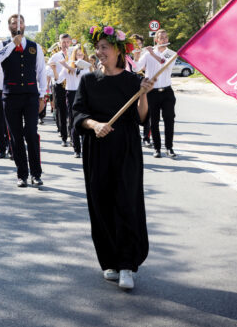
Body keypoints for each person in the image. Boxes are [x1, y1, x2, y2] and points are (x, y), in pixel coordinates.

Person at [72, 24, 154, 290]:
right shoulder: (87, 80)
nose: (99, 52)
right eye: (97, 48)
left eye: (104, 47)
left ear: (118, 50)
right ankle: (109, 261)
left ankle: (127, 264)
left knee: (126, 202)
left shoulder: (133, 80)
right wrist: (94, 125)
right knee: (101, 202)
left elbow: (141, 118)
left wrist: (144, 96)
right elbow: (78, 114)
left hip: (126, 148)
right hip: (97, 149)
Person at [0, 14, 47, 188]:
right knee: (15, 136)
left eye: (20, 22)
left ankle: (36, 173)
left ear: (24, 25)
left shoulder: (34, 47)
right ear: (9, 26)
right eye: (14, 22)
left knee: (30, 133)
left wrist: (42, 95)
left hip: (30, 95)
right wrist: (11, 46)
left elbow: (41, 72)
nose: (17, 24)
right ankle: (22, 173)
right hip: (10, 96)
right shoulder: (2, 45)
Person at [134, 29, 177, 158]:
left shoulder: (171, 53)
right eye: (161, 38)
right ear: (156, 40)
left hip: (167, 91)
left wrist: (152, 53)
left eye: (165, 37)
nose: (163, 40)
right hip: (152, 92)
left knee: (169, 120)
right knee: (154, 121)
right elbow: (136, 68)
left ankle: (169, 148)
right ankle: (157, 148)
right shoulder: (147, 54)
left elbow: (165, 64)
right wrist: (137, 55)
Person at [59, 45, 94, 158]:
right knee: (73, 121)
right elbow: (59, 79)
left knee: (85, 120)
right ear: (74, 55)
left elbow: (82, 73)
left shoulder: (86, 67)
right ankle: (76, 149)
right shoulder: (68, 66)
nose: (80, 56)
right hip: (71, 94)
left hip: (84, 95)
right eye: (78, 54)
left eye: (82, 54)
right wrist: (58, 68)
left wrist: (68, 67)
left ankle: (85, 147)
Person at [48, 34, 73, 147]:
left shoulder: (75, 55)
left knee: (73, 112)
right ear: (59, 43)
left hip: (72, 86)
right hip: (59, 86)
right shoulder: (55, 56)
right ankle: (64, 137)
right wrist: (54, 72)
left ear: (70, 42)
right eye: (63, 42)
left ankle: (73, 136)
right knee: (61, 111)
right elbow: (47, 71)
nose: (65, 44)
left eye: (67, 42)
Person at [130, 34, 152, 147]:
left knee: (147, 111)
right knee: (132, 111)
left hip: (143, 83)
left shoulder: (146, 54)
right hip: (130, 85)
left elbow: (144, 68)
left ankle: (146, 137)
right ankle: (134, 136)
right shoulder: (127, 55)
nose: (137, 46)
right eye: (134, 44)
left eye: (139, 43)